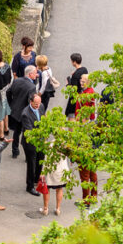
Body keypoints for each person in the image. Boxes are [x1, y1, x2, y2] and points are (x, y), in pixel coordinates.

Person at [75, 73, 98, 205]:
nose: (81, 82)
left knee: (84, 172)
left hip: (84, 134)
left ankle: (86, 200)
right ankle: (93, 197)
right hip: (91, 135)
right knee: (92, 171)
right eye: (81, 80)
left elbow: (83, 114)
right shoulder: (92, 93)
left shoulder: (84, 96)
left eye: (83, 81)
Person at [8, 65, 37, 159]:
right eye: (35, 73)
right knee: (27, 134)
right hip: (25, 114)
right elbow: (31, 102)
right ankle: (27, 155)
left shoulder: (16, 80)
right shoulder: (32, 87)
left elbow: (8, 92)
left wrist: (11, 104)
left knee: (16, 132)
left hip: (15, 111)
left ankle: (14, 151)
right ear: (30, 74)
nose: (36, 75)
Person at [20, 93, 45, 196]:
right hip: (30, 142)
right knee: (32, 164)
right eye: (35, 104)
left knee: (40, 161)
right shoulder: (25, 114)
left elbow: (44, 119)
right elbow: (29, 131)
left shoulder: (41, 106)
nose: (38, 106)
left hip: (41, 140)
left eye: (39, 103)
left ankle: (36, 180)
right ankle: (29, 186)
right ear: (30, 102)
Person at [41, 149, 72, 216]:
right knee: (59, 189)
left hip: (51, 170)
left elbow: (46, 159)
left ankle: (45, 209)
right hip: (61, 171)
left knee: (47, 189)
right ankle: (58, 209)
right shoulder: (65, 146)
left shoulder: (50, 145)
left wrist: (43, 172)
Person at [64, 52, 89, 119]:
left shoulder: (75, 75)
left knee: (71, 116)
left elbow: (74, 89)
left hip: (75, 99)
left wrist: (68, 84)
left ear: (74, 62)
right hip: (83, 95)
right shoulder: (84, 69)